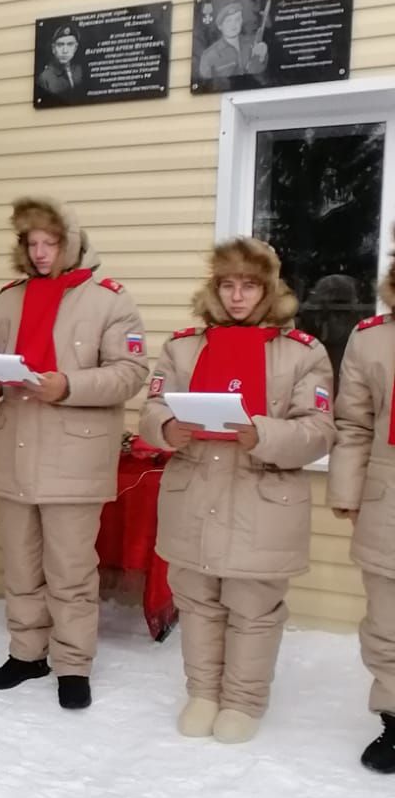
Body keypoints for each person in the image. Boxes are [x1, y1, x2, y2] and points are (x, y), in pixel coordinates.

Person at [139, 239, 335, 744]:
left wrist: (264, 435)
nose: (237, 296)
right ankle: (203, 691)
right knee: (198, 600)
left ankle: (244, 701)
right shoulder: (184, 347)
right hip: (194, 494)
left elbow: (319, 429)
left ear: (269, 290)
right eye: (227, 285)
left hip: (261, 501)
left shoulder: (302, 354)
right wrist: (166, 429)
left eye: (248, 285)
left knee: (253, 609)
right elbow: (152, 408)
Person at [0, 198, 148, 710]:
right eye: (33, 244)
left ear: (71, 243)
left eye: (51, 243)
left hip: (75, 458)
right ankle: (28, 653)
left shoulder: (110, 299)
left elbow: (130, 374)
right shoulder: (8, 299)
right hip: (14, 453)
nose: (42, 253)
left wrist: (67, 384)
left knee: (70, 570)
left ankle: (73, 663)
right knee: (21, 566)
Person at [327, 236, 395, 772]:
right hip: (387, 501)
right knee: (387, 622)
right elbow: (353, 423)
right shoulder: (372, 340)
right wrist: (347, 491)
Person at [197, 0, 268, 89]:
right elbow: (206, 86)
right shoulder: (209, 56)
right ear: (220, 26)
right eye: (228, 21)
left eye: (237, 19)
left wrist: (261, 57)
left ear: (241, 21)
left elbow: (261, 78)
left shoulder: (252, 44)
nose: (234, 25)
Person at [37, 24, 85, 103]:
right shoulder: (45, 77)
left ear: (76, 47)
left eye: (70, 44)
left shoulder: (80, 70)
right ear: (53, 48)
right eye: (60, 45)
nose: (65, 50)